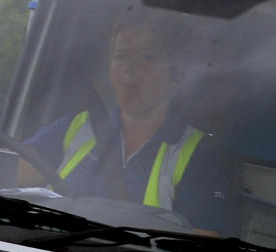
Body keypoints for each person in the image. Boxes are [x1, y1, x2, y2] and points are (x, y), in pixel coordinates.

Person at [22, 10, 232, 235]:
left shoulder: (199, 154)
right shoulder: (73, 128)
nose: (129, 68)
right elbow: (4, 178)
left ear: (176, 74)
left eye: (146, 57)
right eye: (121, 56)